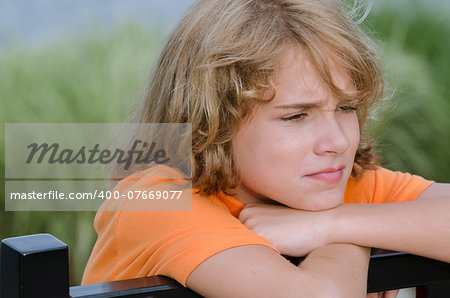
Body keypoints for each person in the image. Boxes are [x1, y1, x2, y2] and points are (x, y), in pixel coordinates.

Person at [82, 0, 450, 297]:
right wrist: (351, 235)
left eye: (346, 107)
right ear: (212, 124)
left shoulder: (333, 184)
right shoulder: (155, 199)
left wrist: (331, 223)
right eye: (295, 117)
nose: (338, 142)